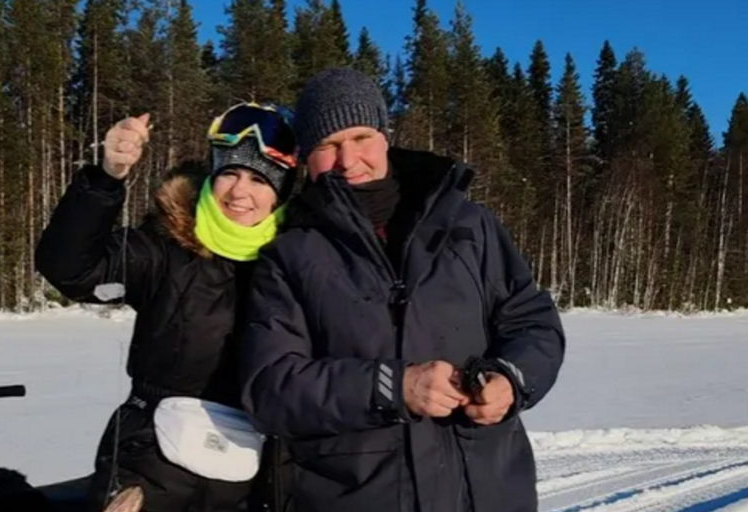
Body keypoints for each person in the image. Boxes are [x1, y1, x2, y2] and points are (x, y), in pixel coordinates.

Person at [240, 68, 565, 512]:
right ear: (305, 159)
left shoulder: (469, 225)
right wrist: (394, 387)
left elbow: (532, 322)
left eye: (361, 138)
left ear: (384, 137)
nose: (348, 160)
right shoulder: (289, 254)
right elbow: (271, 387)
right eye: (327, 146)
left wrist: (512, 379)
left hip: (486, 490)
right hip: (356, 494)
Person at [36, 102, 297, 512]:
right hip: (149, 474)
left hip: (254, 485)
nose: (239, 191)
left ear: (281, 193)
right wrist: (107, 178)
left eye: (259, 179)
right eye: (229, 172)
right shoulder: (166, 247)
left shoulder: (298, 264)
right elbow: (71, 269)